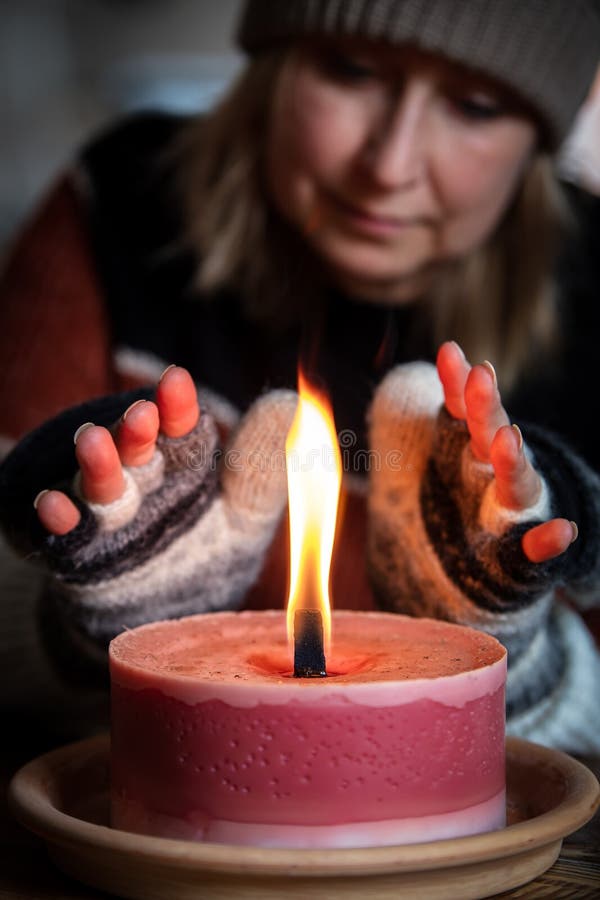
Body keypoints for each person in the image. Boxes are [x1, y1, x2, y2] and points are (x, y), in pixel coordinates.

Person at [0, 0, 599, 752]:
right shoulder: (119, 205)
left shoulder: (592, 299)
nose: (388, 166)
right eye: (351, 71)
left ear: (540, 139)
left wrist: (510, 662)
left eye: (474, 107)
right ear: (272, 67)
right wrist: (91, 625)